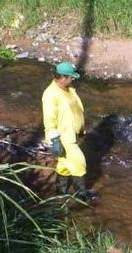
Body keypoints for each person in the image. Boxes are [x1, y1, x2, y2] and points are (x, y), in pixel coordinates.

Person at [42, 61, 96, 201]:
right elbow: (49, 119)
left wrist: (81, 129)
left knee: (64, 165)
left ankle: (60, 192)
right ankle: (82, 195)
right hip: (63, 137)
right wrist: (55, 140)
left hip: (73, 133)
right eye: (71, 77)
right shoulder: (50, 95)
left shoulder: (68, 89)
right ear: (62, 77)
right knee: (79, 163)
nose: (73, 79)